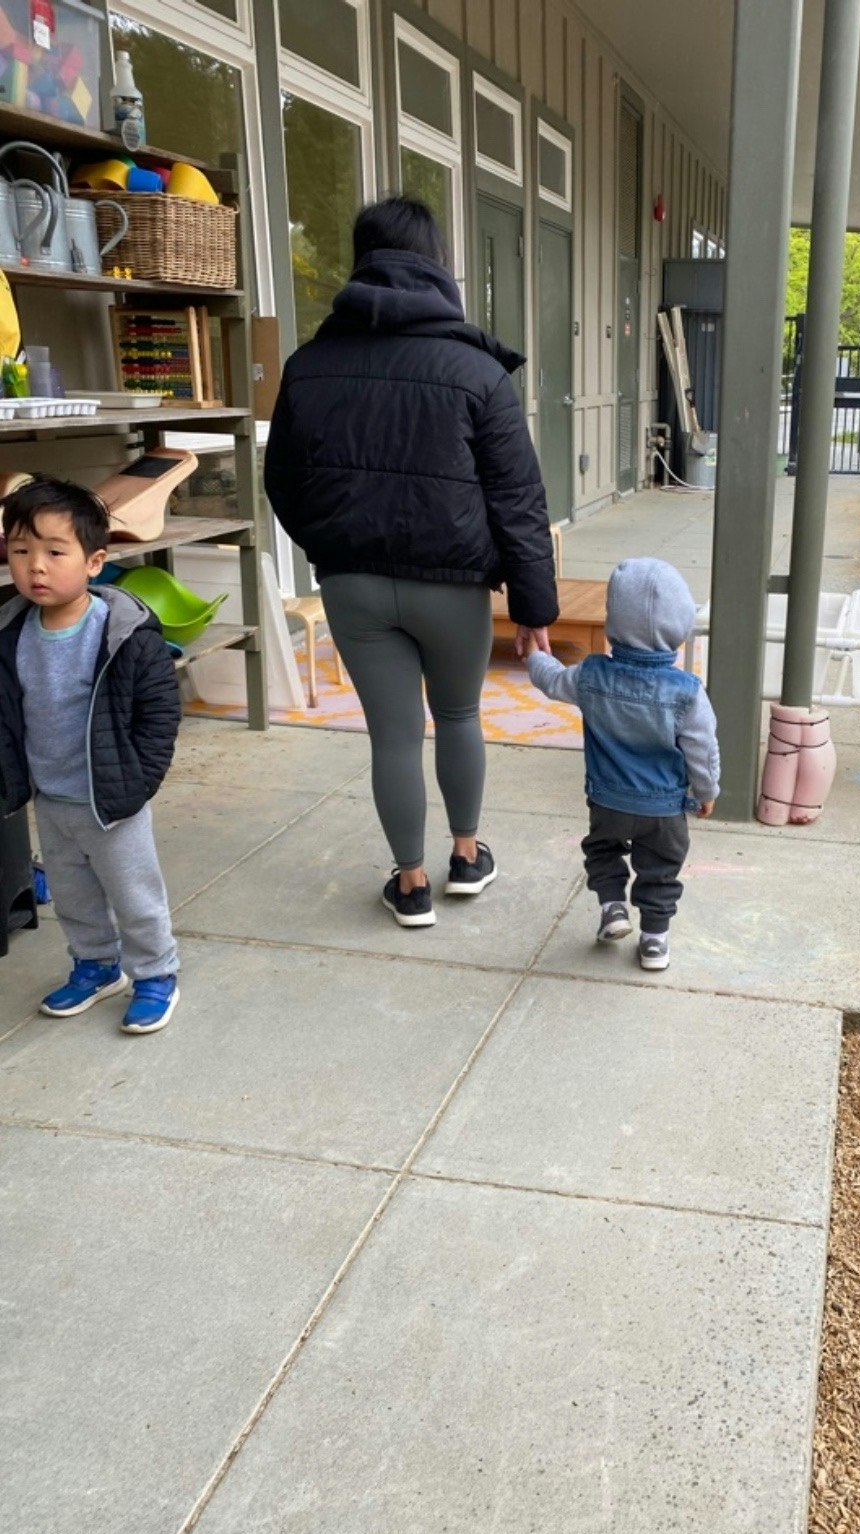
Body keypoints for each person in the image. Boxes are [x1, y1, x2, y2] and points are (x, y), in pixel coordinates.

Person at [265, 197, 559, 929]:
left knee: (393, 734)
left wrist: (331, 547)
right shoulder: (476, 370)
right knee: (458, 715)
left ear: (361, 261)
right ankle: (465, 857)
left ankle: (411, 883)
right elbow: (519, 499)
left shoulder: (309, 367)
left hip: (354, 586)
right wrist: (533, 608)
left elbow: (283, 482)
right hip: (453, 587)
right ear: (437, 265)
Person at [0, 478, 181, 1032]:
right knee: (74, 895)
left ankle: (156, 972)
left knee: (134, 893)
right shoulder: (10, 629)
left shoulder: (121, 633)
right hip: (51, 799)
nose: (37, 567)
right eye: (21, 551)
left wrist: (138, 782)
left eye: (55, 553)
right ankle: (96, 966)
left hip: (111, 800)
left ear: (95, 561)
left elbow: (158, 715)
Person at [527, 558, 719, 973]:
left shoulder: (591, 675)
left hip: (608, 802)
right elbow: (702, 749)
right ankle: (654, 941)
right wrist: (706, 791)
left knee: (601, 850)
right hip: (664, 810)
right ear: (680, 627)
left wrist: (534, 657)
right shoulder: (687, 692)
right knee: (661, 870)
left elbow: (551, 681)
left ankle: (613, 907)